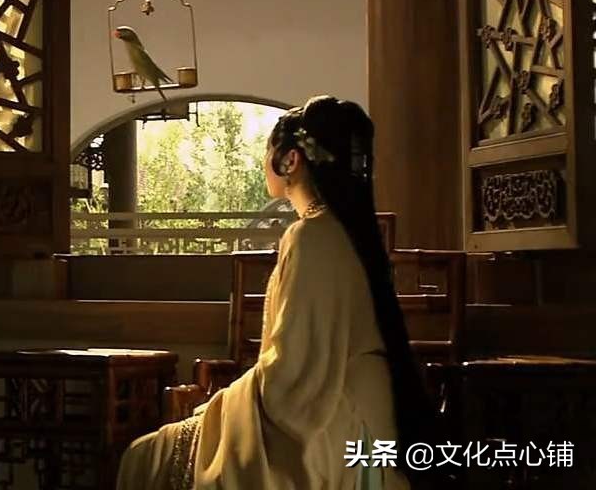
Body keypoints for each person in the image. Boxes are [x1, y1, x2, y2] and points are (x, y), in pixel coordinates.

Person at [116, 96, 437, 490]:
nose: (263, 159)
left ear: (290, 160)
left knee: (146, 456)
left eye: (268, 149)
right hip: (359, 417)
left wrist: (220, 405)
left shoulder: (312, 236)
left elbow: (293, 378)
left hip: (331, 427)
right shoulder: (342, 232)